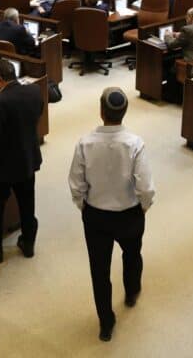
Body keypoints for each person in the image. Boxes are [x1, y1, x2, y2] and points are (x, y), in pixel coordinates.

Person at [68, 87, 154, 342]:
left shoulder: (84, 142)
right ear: (124, 112)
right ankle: (131, 291)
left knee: (99, 270)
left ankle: (106, 322)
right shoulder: (135, 143)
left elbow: (76, 183)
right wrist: (143, 208)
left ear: (101, 111)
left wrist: (84, 206)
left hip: (95, 216)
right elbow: (146, 187)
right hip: (129, 214)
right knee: (132, 254)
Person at [0, 59, 43, 263]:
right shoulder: (33, 92)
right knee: (27, 205)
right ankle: (28, 243)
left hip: (2, 166)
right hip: (26, 159)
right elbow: (36, 114)